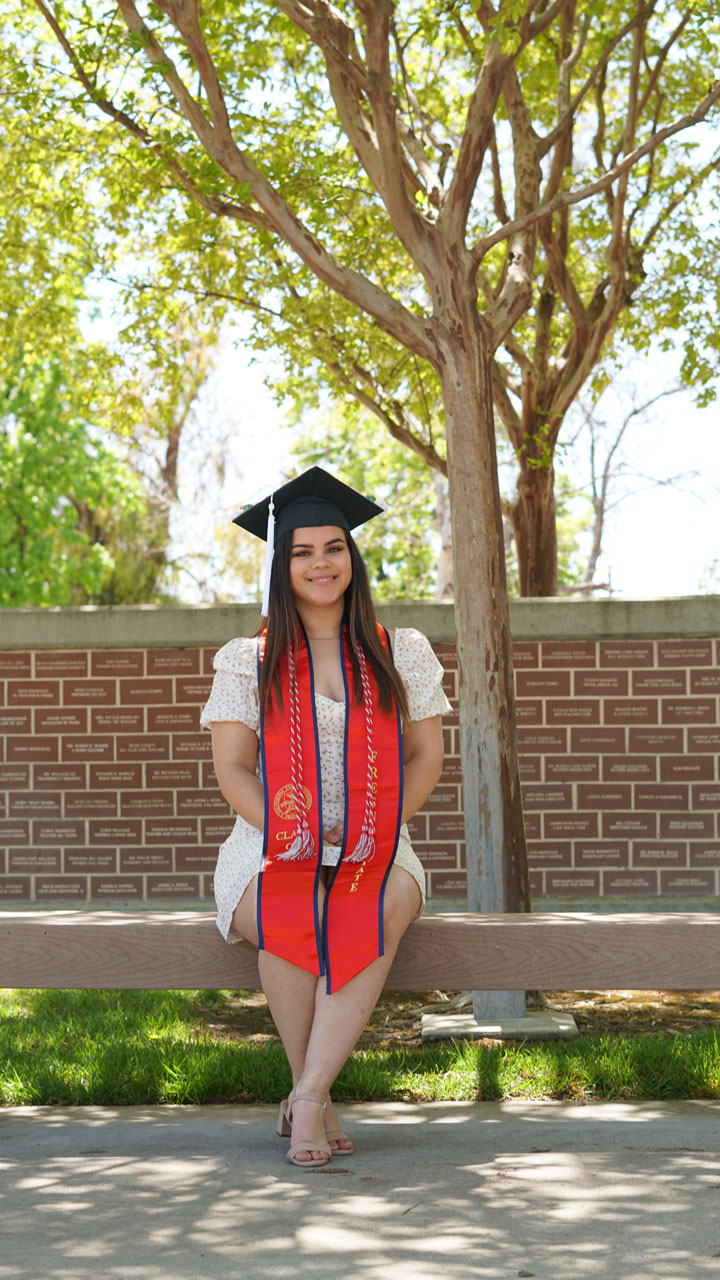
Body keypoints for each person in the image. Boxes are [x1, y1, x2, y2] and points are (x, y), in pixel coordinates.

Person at [200, 467, 452, 1168]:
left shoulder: (400, 650)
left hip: (380, 841)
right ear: (282, 565)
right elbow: (233, 772)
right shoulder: (248, 661)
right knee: (296, 898)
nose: (320, 563)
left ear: (353, 557)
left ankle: (306, 1093)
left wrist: (377, 825)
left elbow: (427, 756)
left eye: (333, 548)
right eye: (302, 551)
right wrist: (299, 837)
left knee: (370, 897)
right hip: (267, 844)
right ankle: (318, 1097)